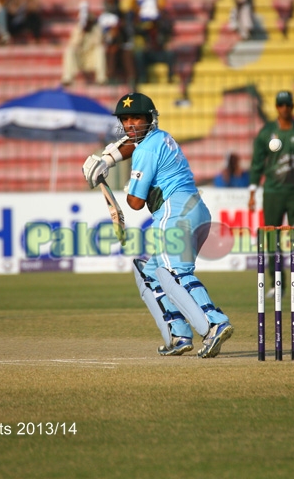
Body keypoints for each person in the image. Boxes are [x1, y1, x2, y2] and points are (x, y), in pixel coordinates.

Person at [81, 93, 234, 358]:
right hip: (194, 210)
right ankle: (179, 333)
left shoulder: (147, 148)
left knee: (174, 271)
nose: (130, 124)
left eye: (136, 118)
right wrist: (107, 159)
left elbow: (136, 202)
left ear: (149, 119)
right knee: (150, 272)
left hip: (174, 211)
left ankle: (214, 322)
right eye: (125, 119)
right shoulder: (159, 138)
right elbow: (132, 144)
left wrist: (119, 184)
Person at [248, 90, 294, 297]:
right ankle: (277, 284)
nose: (284, 109)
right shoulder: (266, 133)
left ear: (292, 106)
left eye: (288, 105)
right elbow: (257, 163)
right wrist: (253, 189)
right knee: (271, 237)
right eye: (281, 105)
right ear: (276, 107)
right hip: (273, 191)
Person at [61, 2, 107, 85]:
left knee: (100, 50)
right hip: (80, 57)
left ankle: (101, 78)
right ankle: (68, 78)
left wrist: (90, 32)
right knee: (69, 51)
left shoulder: (96, 29)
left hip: (91, 57)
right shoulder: (77, 29)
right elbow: (73, 43)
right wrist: (81, 33)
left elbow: (98, 42)